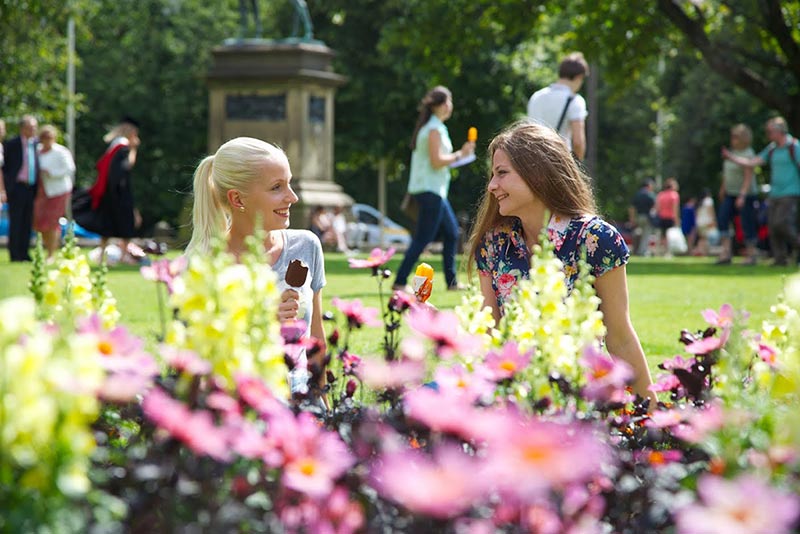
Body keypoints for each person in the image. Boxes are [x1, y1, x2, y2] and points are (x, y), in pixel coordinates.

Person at [467, 122, 656, 403]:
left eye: (502, 173)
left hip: (577, 399)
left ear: (538, 175)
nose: (492, 186)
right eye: (493, 175)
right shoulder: (493, 244)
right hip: (511, 398)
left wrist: (650, 416)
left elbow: (620, 337)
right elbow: (490, 335)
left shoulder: (596, 239)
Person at [186, 136, 327, 399]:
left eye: (289, 184)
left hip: (300, 402)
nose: (293, 197)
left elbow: (316, 342)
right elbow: (200, 361)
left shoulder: (306, 246)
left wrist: (326, 415)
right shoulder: (205, 264)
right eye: (277, 187)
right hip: (239, 404)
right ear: (237, 199)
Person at [393, 86, 475, 292]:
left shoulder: (436, 127)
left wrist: (459, 156)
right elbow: (437, 161)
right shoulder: (433, 129)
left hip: (436, 190)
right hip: (429, 190)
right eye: (448, 101)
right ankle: (400, 282)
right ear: (438, 105)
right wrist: (461, 155)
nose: (450, 106)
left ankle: (452, 283)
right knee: (423, 238)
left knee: (451, 233)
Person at [723, 117, 799, 266]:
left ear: (780, 131)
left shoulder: (794, 146)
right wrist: (732, 157)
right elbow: (752, 162)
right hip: (774, 193)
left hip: (791, 192)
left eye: (770, 131)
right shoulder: (772, 148)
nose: (768, 134)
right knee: (772, 228)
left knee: (782, 224)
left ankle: (796, 244)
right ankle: (780, 259)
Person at [87, 117, 143, 264]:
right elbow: (127, 166)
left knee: (107, 225)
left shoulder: (113, 145)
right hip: (120, 192)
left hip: (108, 192)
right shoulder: (123, 147)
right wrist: (133, 149)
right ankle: (124, 256)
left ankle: (102, 255)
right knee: (126, 223)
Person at [527, 52, 589, 161]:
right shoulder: (575, 100)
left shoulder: (537, 96)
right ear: (579, 77)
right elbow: (578, 142)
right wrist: (577, 164)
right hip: (559, 161)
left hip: (534, 160)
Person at [716, 124, 758, 265]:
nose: (732, 139)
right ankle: (726, 253)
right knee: (722, 219)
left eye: (735, 137)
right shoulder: (731, 153)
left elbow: (748, 175)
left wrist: (742, 195)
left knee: (747, 223)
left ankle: (751, 255)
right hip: (730, 193)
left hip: (745, 194)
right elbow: (727, 174)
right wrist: (723, 189)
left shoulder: (748, 153)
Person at [33, 125, 75, 258]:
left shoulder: (61, 152)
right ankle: (46, 249)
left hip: (58, 191)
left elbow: (70, 169)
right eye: (44, 137)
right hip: (41, 191)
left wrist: (52, 173)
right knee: (39, 222)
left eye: (49, 137)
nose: (47, 140)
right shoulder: (37, 151)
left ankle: (51, 254)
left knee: (52, 222)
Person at [2, 115, 39, 262]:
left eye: (35, 127)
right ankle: (15, 253)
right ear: (22, 128)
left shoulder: (37, 145)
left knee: (27, 221)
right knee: (16, 221)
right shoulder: (12, 144)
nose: (33, 130)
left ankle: (25, 252)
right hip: (17, 187)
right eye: (30, 127)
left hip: (32, 187)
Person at [628, 179, 656, 256]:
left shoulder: (637, 194)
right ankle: (643, 251)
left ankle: (635, 249)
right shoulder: (650, 194)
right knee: (646, 234)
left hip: (638, 217)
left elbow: (632, 208)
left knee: (638, 232)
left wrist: (632, 219)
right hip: (647, 217)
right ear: (648, 186)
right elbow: (654, 206)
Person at [654, 178, 681, 257]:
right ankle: (667, 252)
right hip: (670, 217)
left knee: (661, 235)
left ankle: (658, 251)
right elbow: (675, 209)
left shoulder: (661, 195)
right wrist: (677, 220)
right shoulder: (674, 195)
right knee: (669, 236)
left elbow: (657, 208)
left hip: (662, 217)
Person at [693, 188, 717, 257]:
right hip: (707, 221)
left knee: (702, 238)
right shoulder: (709, 200)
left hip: (699, 222)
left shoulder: (700, 202)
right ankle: (704, 252)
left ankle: (700, 251)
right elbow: (710, 211)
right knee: (706, 238)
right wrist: (713, 220)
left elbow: (697, 213)